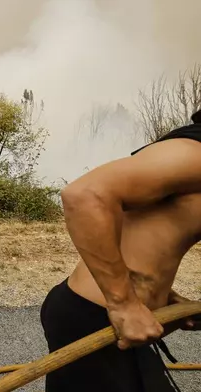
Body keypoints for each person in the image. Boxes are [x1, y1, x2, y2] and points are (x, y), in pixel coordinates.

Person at [40, 111, 201, 391]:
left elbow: (148, 233)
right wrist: (124, 304)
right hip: (94, 319)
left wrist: (162, 296)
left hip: (120, 322)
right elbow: (84, 196)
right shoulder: (194, 153)